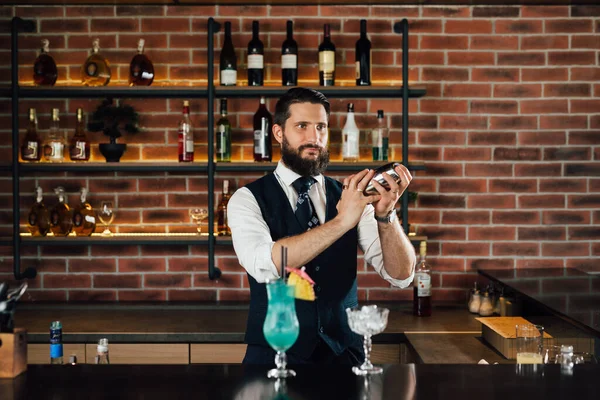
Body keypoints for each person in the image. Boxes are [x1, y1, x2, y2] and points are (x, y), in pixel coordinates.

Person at [227, 87, 416, 365]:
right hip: (274, 354)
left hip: (345, 355)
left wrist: (386, 215)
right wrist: (341, 222)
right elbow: (265, 263)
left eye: (321, 127)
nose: (313, 137)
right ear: (279, 133)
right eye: (302, 126)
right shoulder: (246, 199)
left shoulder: (349, 196)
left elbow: (401, 276)